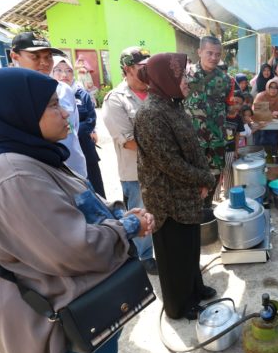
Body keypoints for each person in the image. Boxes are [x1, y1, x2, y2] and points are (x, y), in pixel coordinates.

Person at [0, 68, 154, 353]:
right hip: (61, 338)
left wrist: (119, 215)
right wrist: (127, 227)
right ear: (16, 111)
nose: (64, 111)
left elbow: (76, 205)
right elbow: (74, 248)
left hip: (79, 316)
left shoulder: (31, 156)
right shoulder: (13, 177)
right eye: (50, 105)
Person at [134, 53, 217, 321]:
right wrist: (203, 178)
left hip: (185, 192)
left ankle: (195, 289)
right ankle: (179, 306)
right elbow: (169, 163)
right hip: (167, 197)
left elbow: (190, 147)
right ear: (166, 79)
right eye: (181, 76)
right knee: (174, 255)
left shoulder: (172, 105)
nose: (186, 82)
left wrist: (200, 178)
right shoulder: (150, 114)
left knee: (190, 248)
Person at [103, 46, 157, 274]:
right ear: (127, 69)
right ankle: (144, 257)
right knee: (140, 213)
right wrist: (164, 150)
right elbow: (128, 141)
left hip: (160, 170)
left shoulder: (156, 92)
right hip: (135, 173)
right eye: (142, 68)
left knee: (159, 212)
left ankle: (158, 248)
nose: (148, 72)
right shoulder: (116, 100)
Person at [10, 31, 87, 178]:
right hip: (41, 177)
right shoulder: (12, 95)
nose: (44, 63)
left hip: (75, 169)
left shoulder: (64, 89)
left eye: (48, 57)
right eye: (35, 57)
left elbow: (73, 126)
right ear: (15, 57)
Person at [185, 36, 233, 208]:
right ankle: (193, 210)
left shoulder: (225, 80)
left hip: (216, 140)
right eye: (209, 53)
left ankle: (206, 208)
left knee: (214, 176)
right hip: (192, 140)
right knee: (191, 177)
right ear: (199, 52)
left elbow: (227, 106)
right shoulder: (185, 76)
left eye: (217, 54)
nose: (214, 57)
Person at [51, 56, 105, 197]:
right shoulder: (48, 96)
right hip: (62, 152)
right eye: (58, 70)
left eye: (69, 70)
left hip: (85, 148)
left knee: (95, 189)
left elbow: (91, 118)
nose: (64, 75)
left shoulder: (82, 94)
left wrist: (73, 130)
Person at [218, 93, 245, 199]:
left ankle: (227, 196)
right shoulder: (220, 114)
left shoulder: (238, 119)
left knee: (229, 172)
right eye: (233, 101)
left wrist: (236, 150)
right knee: (217, 173)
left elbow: (237, 135)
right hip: (217, 149)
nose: (234, 104)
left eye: (238, 103)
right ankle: (214, 197)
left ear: (240, 106)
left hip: (230, 149)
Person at [253, 79, 278, 158]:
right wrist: (271, 114)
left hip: (272, 124)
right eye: (271, 87)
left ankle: (273, 158)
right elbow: (255, 112)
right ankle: (258, 159)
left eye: (275, 88)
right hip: (259, 124)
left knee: (274, 140)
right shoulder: (261, 96)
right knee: (259, 145)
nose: (273, 90)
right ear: (267, 87)